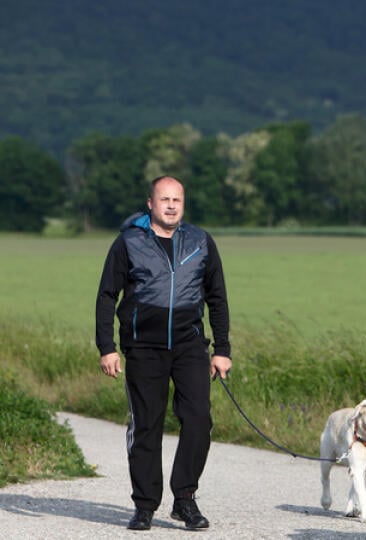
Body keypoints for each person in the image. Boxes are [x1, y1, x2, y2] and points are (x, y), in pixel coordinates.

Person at [96, 175, 232, 531]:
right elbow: (107, 295)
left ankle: (184, 499)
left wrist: (222, 349)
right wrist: (107, 347)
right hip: (143, 347)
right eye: (164, 199)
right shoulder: (128, 243)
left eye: (177, 200)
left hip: (190, 345)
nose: (171, 206)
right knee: (146, 425)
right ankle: (144, 505)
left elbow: (217, 297)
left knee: (199, 419)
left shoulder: (200, 242)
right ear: (150, 204)